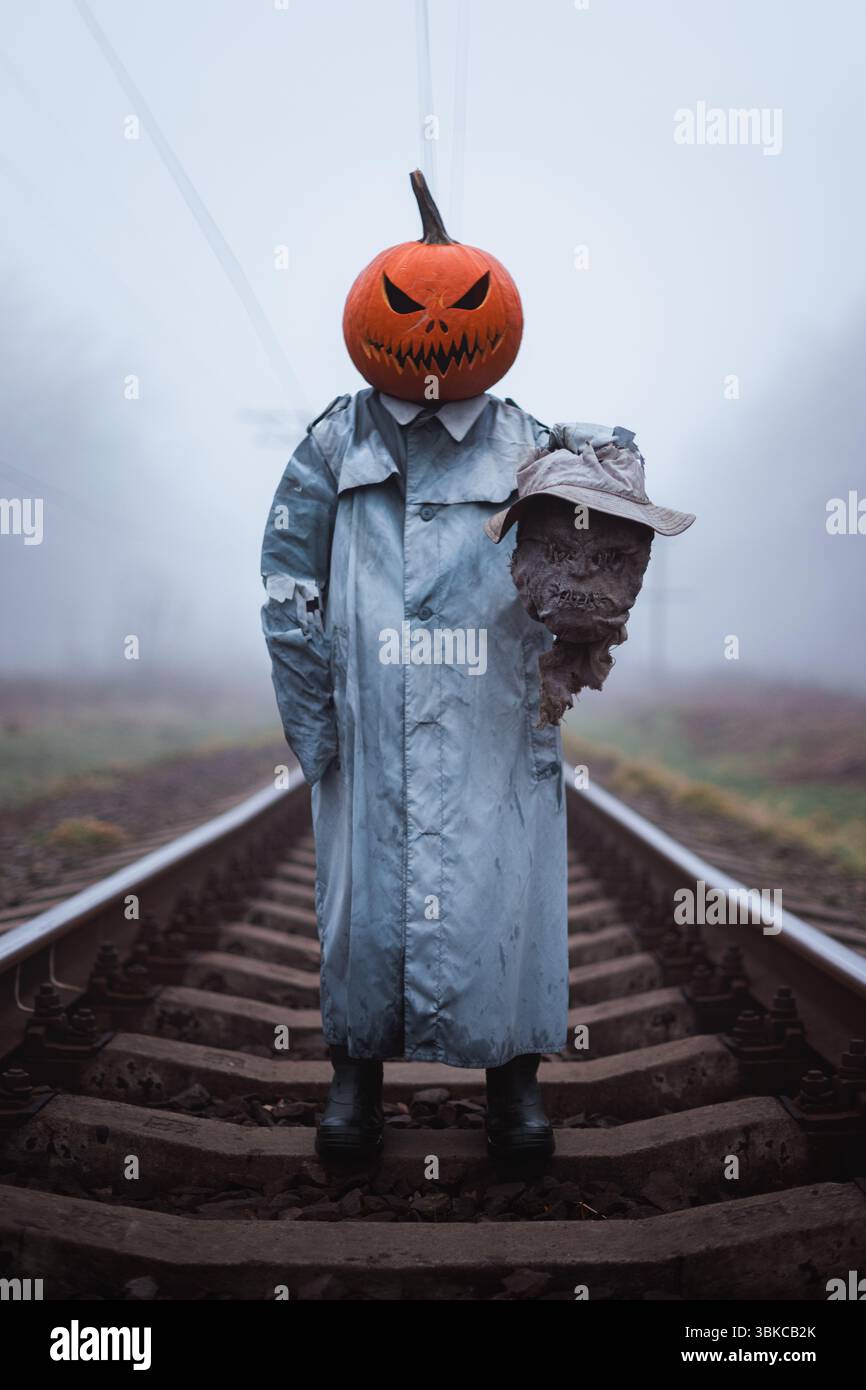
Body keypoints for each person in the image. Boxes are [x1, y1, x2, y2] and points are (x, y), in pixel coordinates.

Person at [260, 172, 693, 1162]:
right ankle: (353, 1078)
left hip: (496, 719)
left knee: (506, 899)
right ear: (374, 318)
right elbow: (286, 583)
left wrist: (606, 490)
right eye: (407, 306)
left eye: (456, 306)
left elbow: (587, 576)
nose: (432, 326)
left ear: (493, 324)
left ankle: (514, 1088)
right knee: (362, 909)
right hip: (368, 721)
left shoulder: (527, 444)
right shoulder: (333, 441)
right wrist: (315, 727)